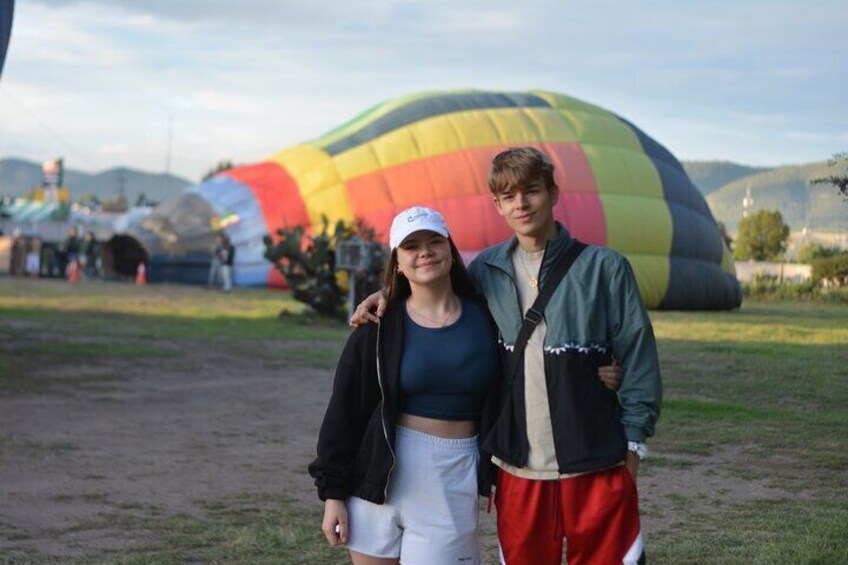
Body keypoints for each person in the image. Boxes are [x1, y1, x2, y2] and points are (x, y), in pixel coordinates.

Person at [352, 147, 661, 565]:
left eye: (531, 191)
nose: (522, 204)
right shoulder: (486, 271)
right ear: (496, 205)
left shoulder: (605, 268)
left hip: (597, 460)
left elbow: (639, 358)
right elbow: (435, 290)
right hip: (516, 468)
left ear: (553, 193)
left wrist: (632, 451)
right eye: (509, 196)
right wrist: (386, 294)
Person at [308, 206, 502, 564]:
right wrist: (332, 495)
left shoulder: (489, 316)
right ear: (397, 261)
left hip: (451, 472)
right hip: (380, 473)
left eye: (434, 241)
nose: (425, 251)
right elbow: (344, 411)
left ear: (450, 250)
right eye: (411, 246)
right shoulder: (378, 327)